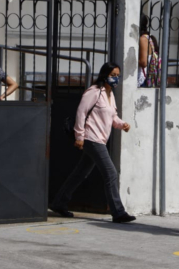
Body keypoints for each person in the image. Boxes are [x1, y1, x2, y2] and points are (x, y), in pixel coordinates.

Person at [50, 62, 136, 223]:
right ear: (104, 76)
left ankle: (59, 202)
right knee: (111, 173)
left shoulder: (110, 95)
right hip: (91, 138)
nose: (116, 78)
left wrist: (122, 124)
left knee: (80, 172)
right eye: (113, 75)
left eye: (118, 75)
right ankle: (118, 212)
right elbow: (81, 113)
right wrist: (79, 136)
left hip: (100, 139)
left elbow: (112, 117)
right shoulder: (94, 92)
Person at [138, 15, 160, 87]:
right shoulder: (149, 37)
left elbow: (143, 62)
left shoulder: (143, 39)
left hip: (141, 78)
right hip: (147, 78)